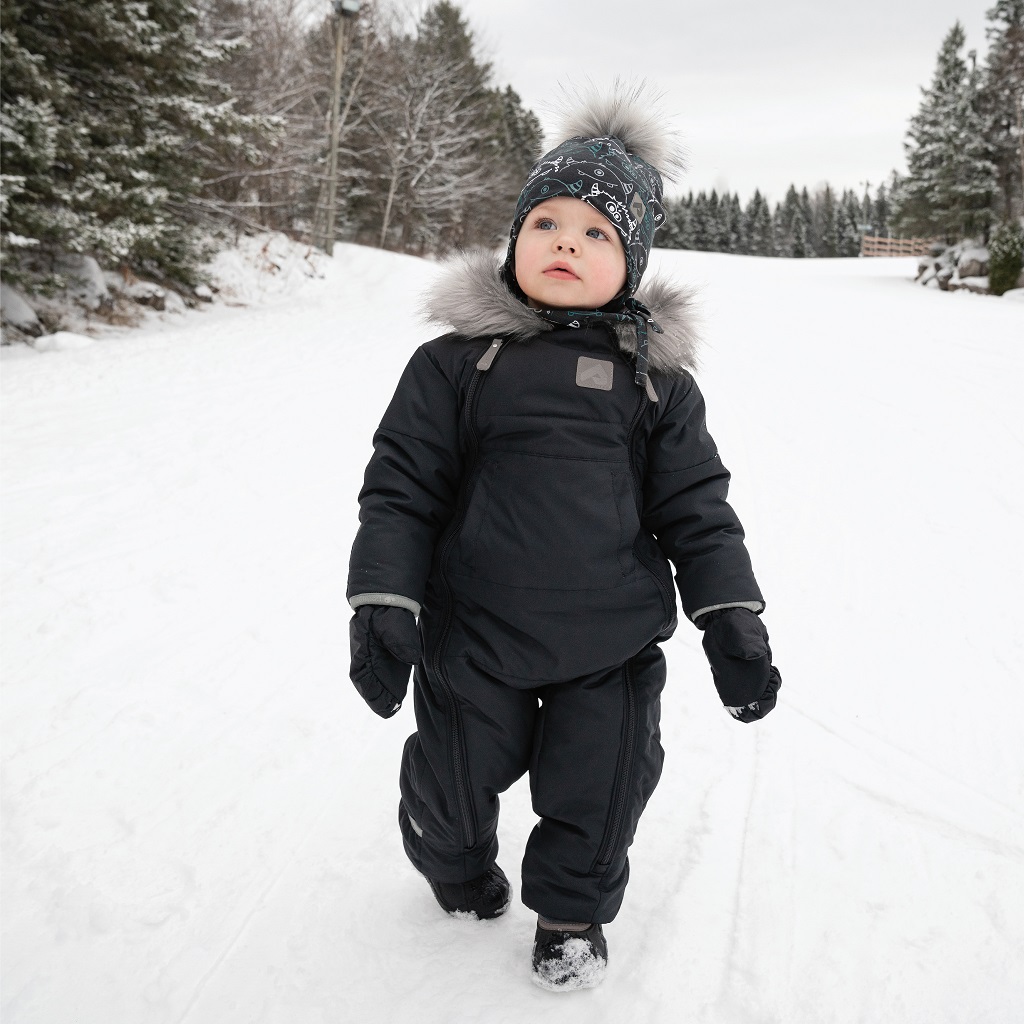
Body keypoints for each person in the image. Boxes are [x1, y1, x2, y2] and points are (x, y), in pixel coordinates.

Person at [347, 84, 781, 992]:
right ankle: (456, 863)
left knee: (602, 788)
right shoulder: (456, 363)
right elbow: (403, 488)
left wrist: (731, 616)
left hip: (610, 647)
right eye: (546, 223)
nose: (565, 245)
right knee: (455, 780)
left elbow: (697, 505)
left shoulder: (657, 386)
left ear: (632, 262)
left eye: (595, 234)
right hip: (475, 638)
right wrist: (386, 599)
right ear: (514, 240)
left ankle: (572, 913)